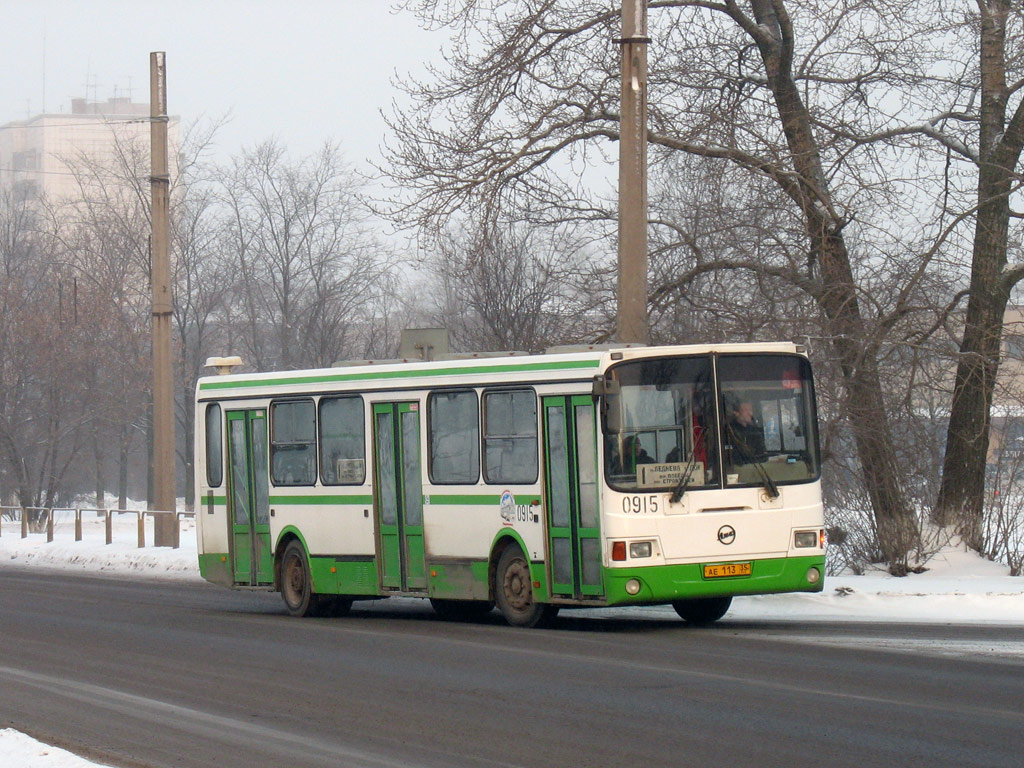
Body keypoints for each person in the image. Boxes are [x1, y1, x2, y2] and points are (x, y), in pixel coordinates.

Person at [726, 399, 766, 464]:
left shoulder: (755, 432)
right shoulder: (728, 432)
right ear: (736, 413)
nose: (750, 413)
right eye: (746, 410)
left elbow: (762, 454)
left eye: (751, 410)